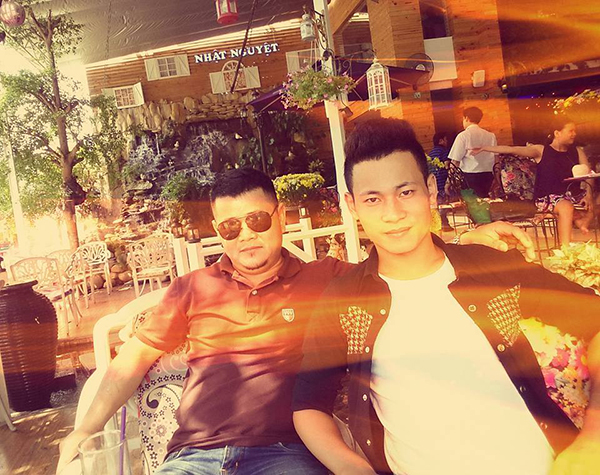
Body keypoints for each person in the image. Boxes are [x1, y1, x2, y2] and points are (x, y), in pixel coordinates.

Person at [56, 168, 535, 475]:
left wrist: (467, 240)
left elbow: (402, 259)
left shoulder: (329, 278)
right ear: (217, 232)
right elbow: (132, 359)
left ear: (280, 216)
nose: (245, 236)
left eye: (257, 221)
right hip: (194, 456)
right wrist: (84, 427)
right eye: (230, 227)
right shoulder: (192, 287)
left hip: (287, 454)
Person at [292, 118, 600, 475]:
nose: (393, 214)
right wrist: (352, 468)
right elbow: (309, 404)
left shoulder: (491, 269)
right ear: (352, 205)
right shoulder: (345, 302)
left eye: (405, 192)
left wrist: (592, 439)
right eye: (373, 199)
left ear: (430, 190)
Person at [472, 119, 596, 246]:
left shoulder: (577, 151)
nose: (574, 134)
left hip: (572, 195)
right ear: (557, 133)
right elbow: (511, 149)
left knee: (591, 204)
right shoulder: (541, 151)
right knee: (566, 207)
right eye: (571, 131)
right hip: (548, 197)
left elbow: (588, 174)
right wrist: (484, 148)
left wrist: (588, 195)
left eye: (575, 131)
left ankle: (581, 222)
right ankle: (566, 248)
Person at [448, 106, 497, 198]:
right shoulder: (491, 136)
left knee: (471, 203)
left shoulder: (463, 136)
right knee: (485, 201)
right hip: (488, 175)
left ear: (466, 118)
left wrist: (449, 181)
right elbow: (496, 158)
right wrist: (497, 178)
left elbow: (455, 161)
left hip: (469, 176)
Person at [429, 131, 452, 231]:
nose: (447, 142)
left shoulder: (431, 153)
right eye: (445, 139)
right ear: (441, 141)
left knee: (438, 202)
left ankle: (440, 223)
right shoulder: (444, 151)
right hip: (442, 179)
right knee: (445, 201)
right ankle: (444, 223)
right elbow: (447, 165)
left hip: (434, 181)